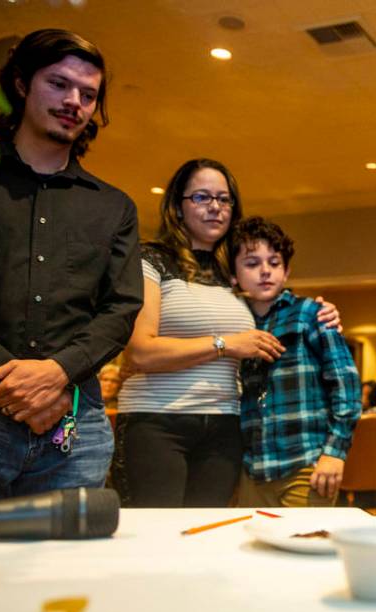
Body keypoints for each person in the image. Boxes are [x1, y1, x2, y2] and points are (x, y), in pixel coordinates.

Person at [0, 29, 143, 502]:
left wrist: (57, 374)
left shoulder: (114, 206)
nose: (74, 101)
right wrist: (13, 383)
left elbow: (120, 309)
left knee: (65, 574)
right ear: (20, 84)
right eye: (58, 84)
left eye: (88, 94)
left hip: (75, 423)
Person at [114, 161, 341, 508]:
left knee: (207, 538)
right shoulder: (151, 259)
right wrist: (225, 345)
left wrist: (320, 312)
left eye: (224, 199)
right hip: (157, 421)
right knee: (155, 541)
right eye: (202, 197)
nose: (215, 207)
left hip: (225, 428)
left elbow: (277, 312)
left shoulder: (236, 270)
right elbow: (141, 352)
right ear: (178, 206)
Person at [231, 217, 361, 507]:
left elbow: (346, 384)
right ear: (234, 274)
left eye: (274, 263)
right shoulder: (233, 322)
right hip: (253, 468)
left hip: (306, 463)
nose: (265, 271)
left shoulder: (309, 314)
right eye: (252, 264)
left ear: (286, 270)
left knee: (304, 544)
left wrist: (334, 452)